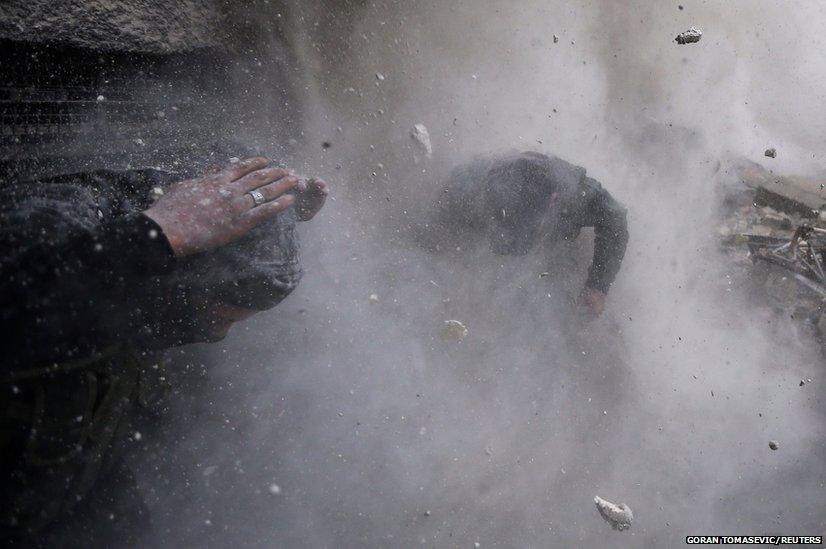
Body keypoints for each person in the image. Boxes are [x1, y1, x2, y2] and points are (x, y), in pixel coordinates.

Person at [0, 157, 328, 545]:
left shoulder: (129, 294)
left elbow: (90, 479)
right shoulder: (56, 232)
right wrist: (154, 235)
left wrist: (269, 214)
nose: (215, 336)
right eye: (216, 318)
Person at [429, 151, 628, 316]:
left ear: (553, 200)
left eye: (531, 219)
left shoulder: (574, 193)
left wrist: (597, 286)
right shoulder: (468, 192)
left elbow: (614, 218)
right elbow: (438, 234)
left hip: (556, 248)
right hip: (484, 244)